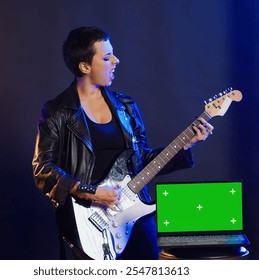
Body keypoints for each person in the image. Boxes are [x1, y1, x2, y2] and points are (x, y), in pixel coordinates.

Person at [32, 26, 213, 260]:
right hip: (89, 219)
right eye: (107, 57)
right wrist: (91, 192)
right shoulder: (57, 111)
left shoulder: (126, 106)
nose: (116, 61)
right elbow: (42, 169)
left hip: (134, 211)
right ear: (85, 67)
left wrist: (186, 146)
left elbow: (142, 160)